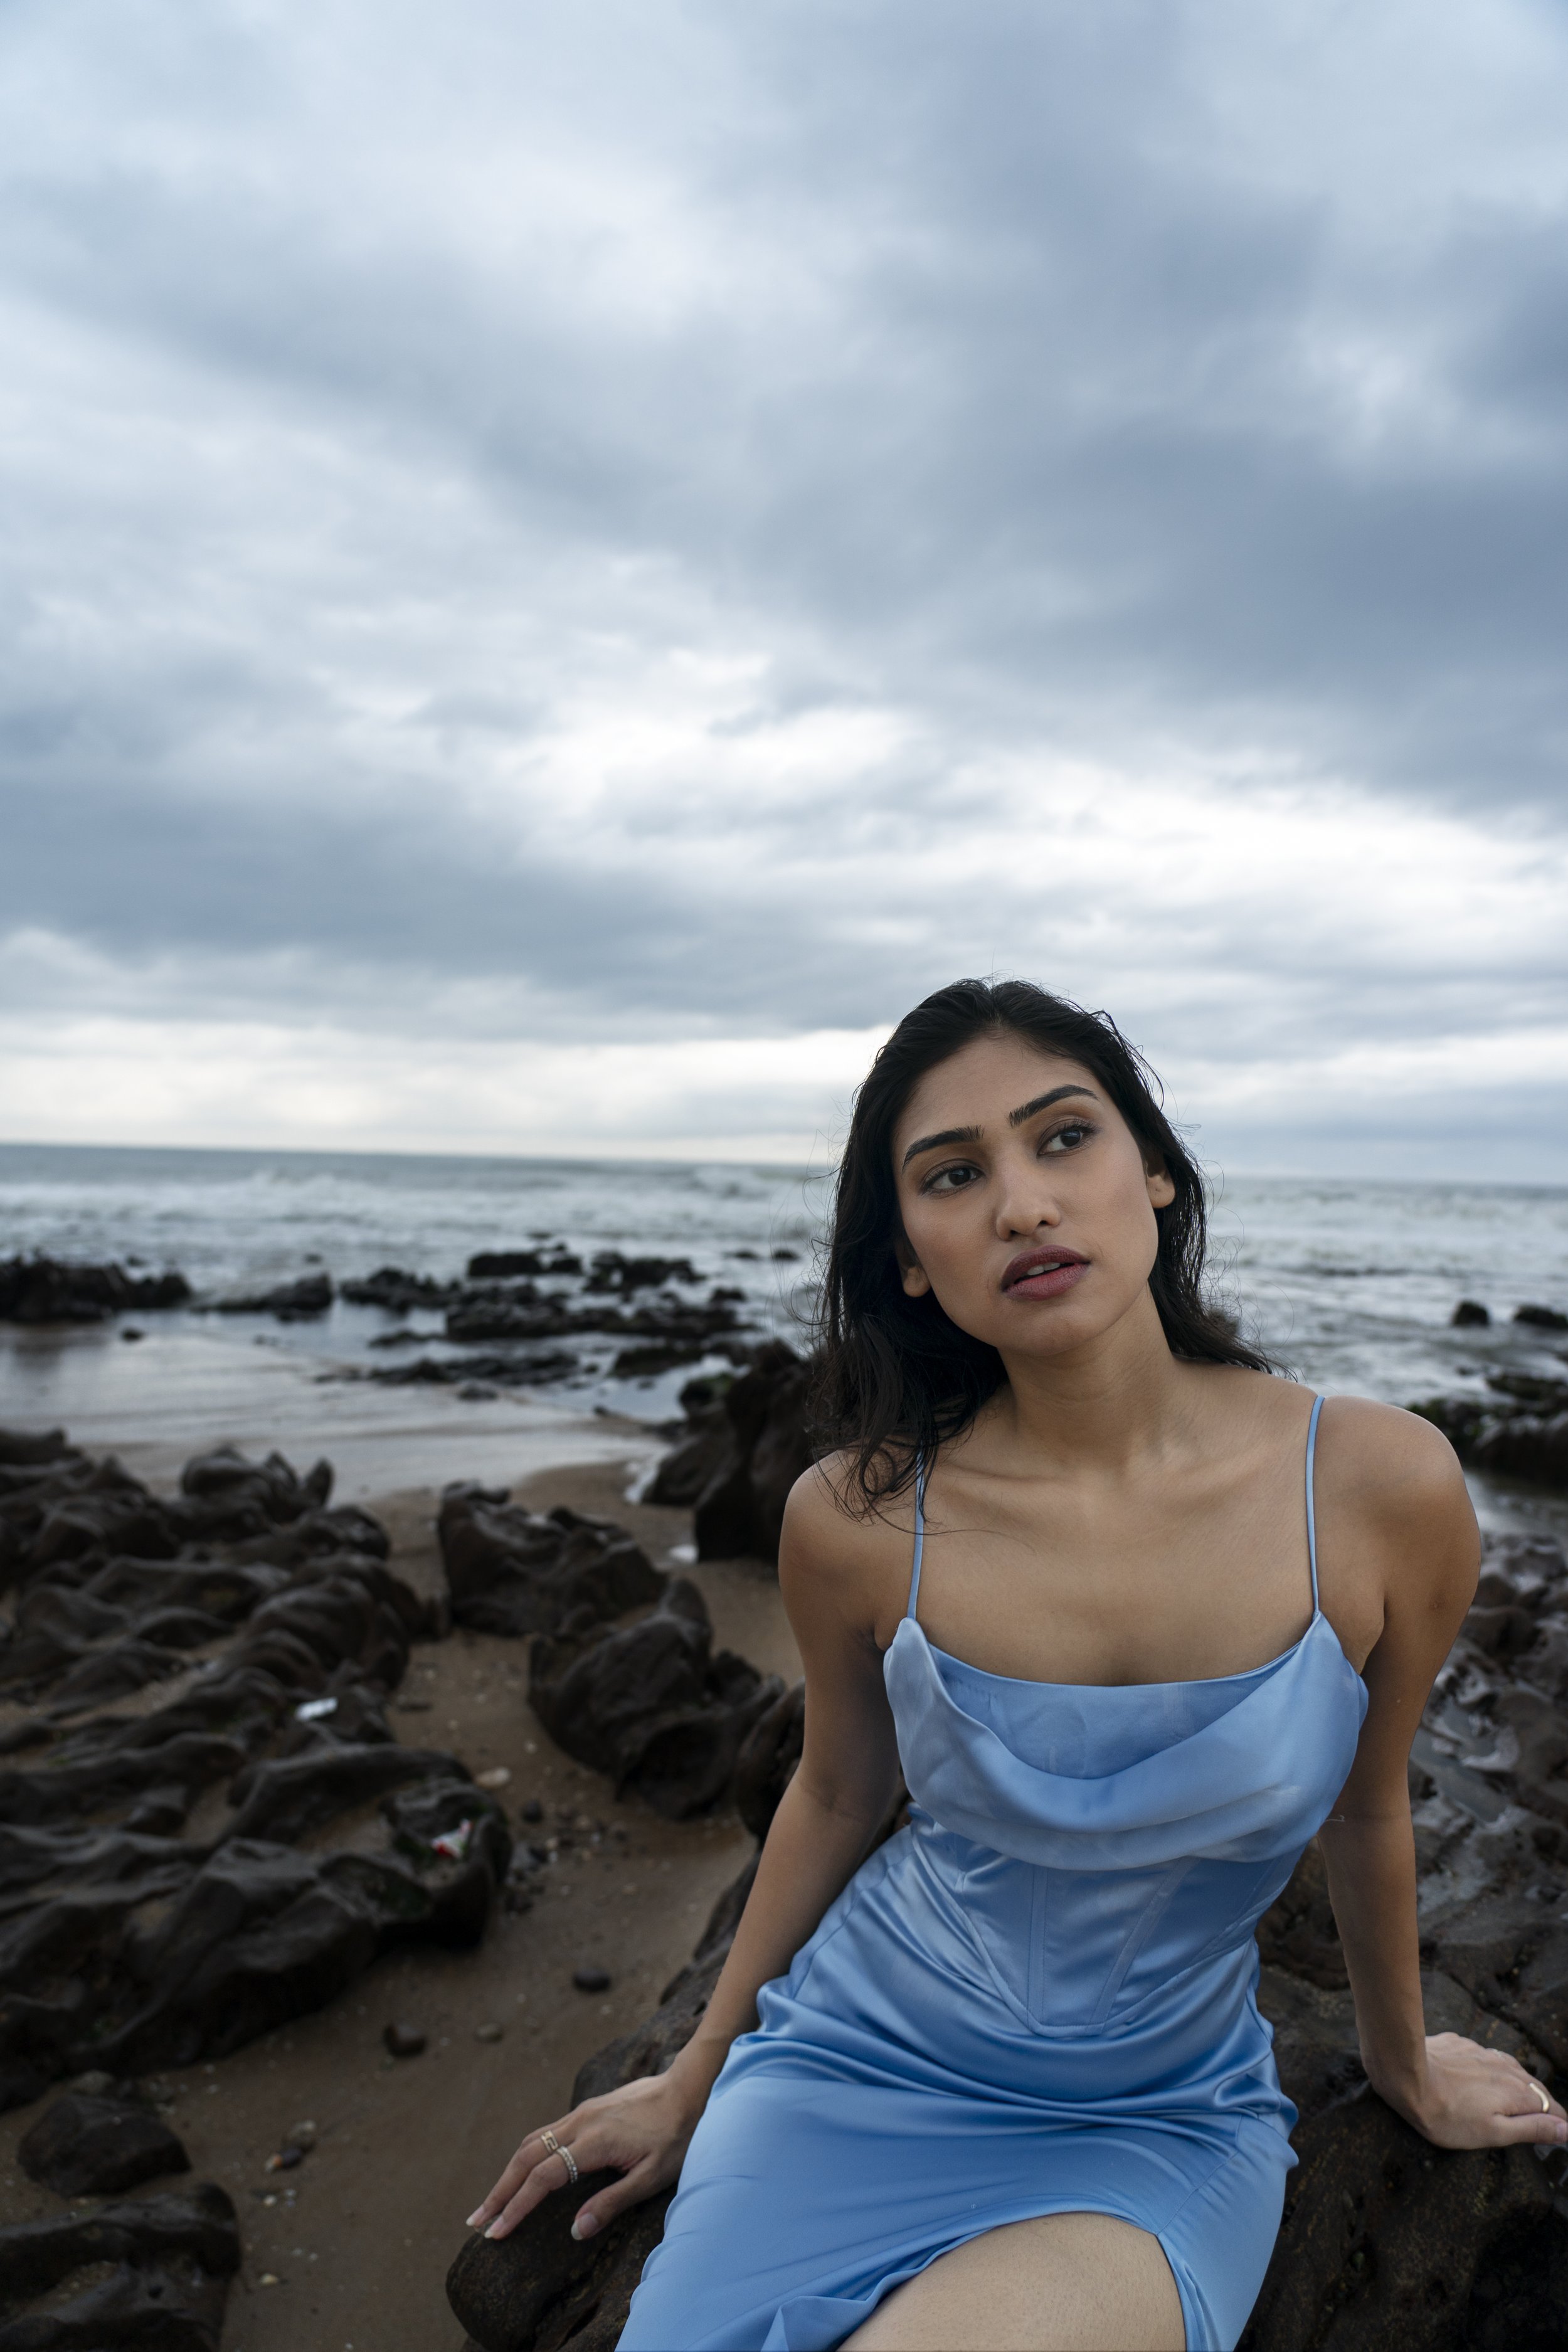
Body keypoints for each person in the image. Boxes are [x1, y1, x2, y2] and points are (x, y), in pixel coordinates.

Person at [466, 980, 1567, 2351]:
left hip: (1148, 2124)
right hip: (850, 2071)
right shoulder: (859, 1519)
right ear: (913, 1259)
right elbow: (830, 1798)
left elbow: (1366, 1803)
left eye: (1061, 1139)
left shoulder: (1373, 1487)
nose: (1021, 1204)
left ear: (1154, 1174)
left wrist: (1401, 2068)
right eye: (952, 1174)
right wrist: (695, 2074)